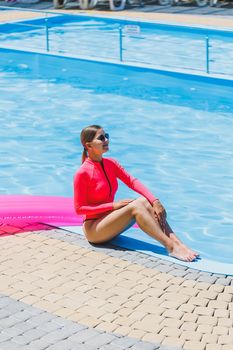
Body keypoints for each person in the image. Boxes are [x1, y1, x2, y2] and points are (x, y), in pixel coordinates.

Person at [74, 125, 198, 262]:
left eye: (107, 136)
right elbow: (79, 209)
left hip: (109, 220)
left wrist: (155, 201)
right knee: (136, 207)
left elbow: (132, 181)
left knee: (144, 201)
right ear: (89, 145)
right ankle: (170, 247)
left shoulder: (111, 164)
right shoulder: (83, 173)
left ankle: (178, 243)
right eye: (101, 138)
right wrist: (113, 206)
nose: (106, 140)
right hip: (94, 229)